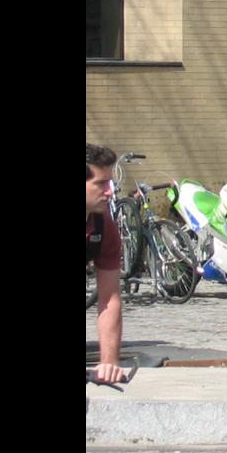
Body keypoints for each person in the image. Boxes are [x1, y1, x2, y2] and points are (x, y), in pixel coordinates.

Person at [86, 143, 130, 385]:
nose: (110, 191)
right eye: (101, 183)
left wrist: (109, 362)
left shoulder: (103, 228)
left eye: (110, 183)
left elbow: (109, 299)